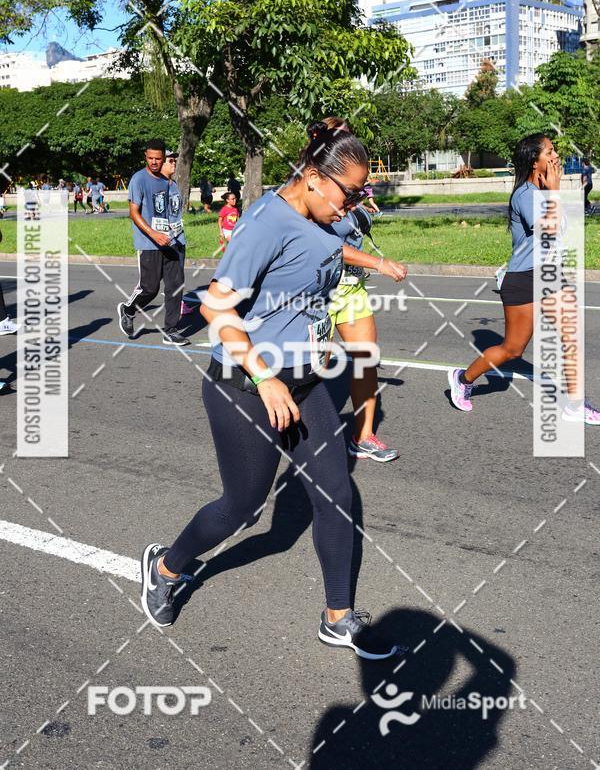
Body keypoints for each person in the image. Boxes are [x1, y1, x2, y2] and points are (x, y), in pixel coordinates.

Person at [140, 124, 406, 661]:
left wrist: (373, 263)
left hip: (305, 383)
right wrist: (265, 377)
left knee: (336, 494)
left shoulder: (324, 218)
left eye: (361, 193)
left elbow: (325, 255)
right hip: (245, 385)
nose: (355, 204)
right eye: (349, 193)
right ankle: (166, 567)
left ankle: (337, 616)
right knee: (243, 507)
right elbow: (216, 308)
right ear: (312, 178)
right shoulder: (265, 223)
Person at [448, 133, 600, 424]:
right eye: (551, 152)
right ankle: (462, 378)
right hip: (523, 278)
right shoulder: (524, 195)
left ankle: (576, 404)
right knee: (513, 349)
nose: (556, 156)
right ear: (535, 160)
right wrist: (554, 192)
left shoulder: (542, 190)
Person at [313, 118, 407, 462]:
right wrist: (379, 263)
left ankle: (363, 436)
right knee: (314, 369)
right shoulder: (312, 184)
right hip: (317, 289)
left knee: (366, 358)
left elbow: (348, 229)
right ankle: (300, 436)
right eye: (342, 136)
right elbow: (322, 244)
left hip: (350, 288)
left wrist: (360, 209)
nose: (348, 142)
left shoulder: (348, 183)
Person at [117, 139, 191, 346]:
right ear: (145, 157)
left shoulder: (171, 184)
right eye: (150, 158)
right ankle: (128, 309)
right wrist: (154, 234)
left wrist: (178, 238)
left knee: (175, 287)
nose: (154, 162)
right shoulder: (139, 179)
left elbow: (172, 214)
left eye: (159, 159)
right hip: (149, 243)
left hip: (174, 242)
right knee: (150, 288)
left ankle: (171, 330)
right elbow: (134, 212)